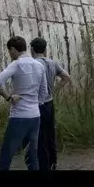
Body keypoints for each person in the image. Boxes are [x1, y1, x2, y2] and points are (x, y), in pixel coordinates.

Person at [0, 36, 48, 171]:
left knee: (7, 154)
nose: (10, 54)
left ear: (13, 49)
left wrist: (8, 97)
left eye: (9, 51)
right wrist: (35, 103)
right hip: (35, 116)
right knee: (32, 155)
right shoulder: (39, 65)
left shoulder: (17, 64)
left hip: (19, 116)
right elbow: (44, 92)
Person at [30, 37, 71, 171]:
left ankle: (44, 166)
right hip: (49, 103)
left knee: (40, 137)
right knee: (50, 133)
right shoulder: (52, 63)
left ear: (32, 49)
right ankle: (53, 161)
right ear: (45, 49)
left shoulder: (32, 64)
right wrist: (54, 90)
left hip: (37, 105)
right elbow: (66, 77)